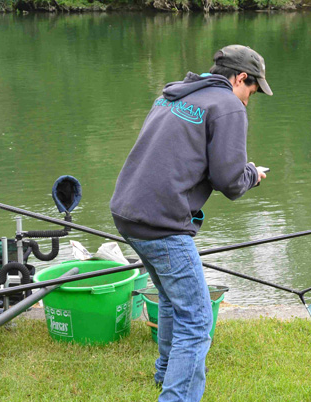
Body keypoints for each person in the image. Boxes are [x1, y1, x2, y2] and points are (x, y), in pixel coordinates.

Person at [110, 44, 272, 402]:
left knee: (171, 300)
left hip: (128, 212)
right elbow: (230, 180)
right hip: (161, 223)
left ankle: (166, 375)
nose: (248, 100)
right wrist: (253, 175)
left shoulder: (174, 95)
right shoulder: (227, 105)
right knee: (197, 322)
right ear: (240, 78)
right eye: (252, 91)